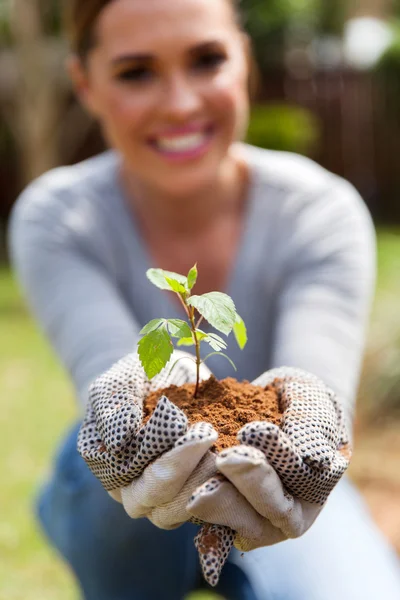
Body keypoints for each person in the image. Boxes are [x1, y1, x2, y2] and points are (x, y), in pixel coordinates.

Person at [7, 0, 400, 598]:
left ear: (244, 59)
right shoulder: (61, 217)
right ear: (85, 85)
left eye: (206, 60)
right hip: (125, 499)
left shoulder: (318, 211)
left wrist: (311, 409)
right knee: (106, 432)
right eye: (136, 71)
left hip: (280, 479)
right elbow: (108, 364)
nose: (181, 102)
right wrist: (135, 396)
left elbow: (320, 387)